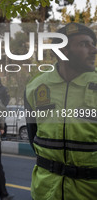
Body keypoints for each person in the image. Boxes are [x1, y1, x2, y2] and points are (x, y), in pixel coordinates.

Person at [25, 22, 97, 200]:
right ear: (63, 51)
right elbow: (33, 137)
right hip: (46, 191)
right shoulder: (35, 87)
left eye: (93, 44)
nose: (94, 50)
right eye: (84, 44)